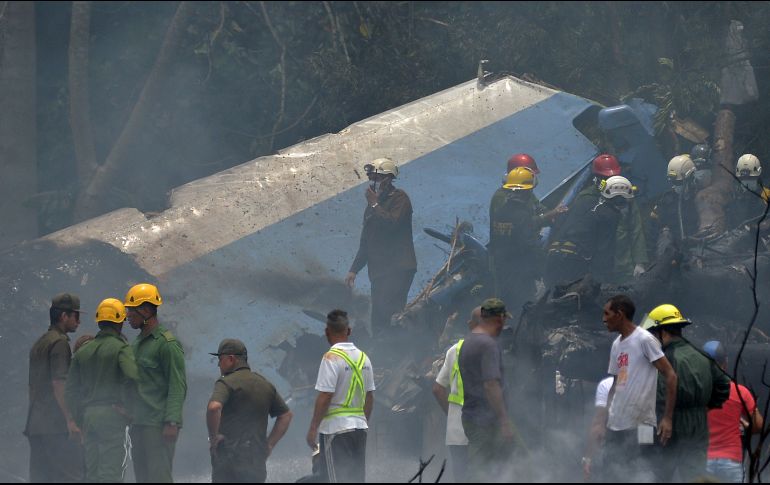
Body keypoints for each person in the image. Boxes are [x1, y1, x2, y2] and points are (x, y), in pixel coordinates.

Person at [641, 303, 731, 482]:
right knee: (695, 478)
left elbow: (655, 400)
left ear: (662, 332)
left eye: (652, 333)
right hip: (698, 426)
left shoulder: (664, 361)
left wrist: (643, 442)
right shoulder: (702, 357)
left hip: (667, 428)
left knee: (658, 476)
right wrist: (703, 407)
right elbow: (724, 385)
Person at [601, 294, 677, 483]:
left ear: (620, 314)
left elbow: (671, 375)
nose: (603, 319)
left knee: (643, 471)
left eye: (606, 313)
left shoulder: (645, 339)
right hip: (615, 423)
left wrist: (667, 418)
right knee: (611, 473)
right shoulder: (616, 344)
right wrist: (604, 417)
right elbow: (616, 381)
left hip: (643, 424)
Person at [65, 298, 138, 483]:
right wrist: (129, 410)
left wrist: (79, 419)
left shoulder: (82, 352)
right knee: (111, 474)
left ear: (99, 321)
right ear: (120, 321)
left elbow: (71, 391)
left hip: (89, 417)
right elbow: (133, 378)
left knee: (92, 474)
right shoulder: (121, 348)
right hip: (112, 416)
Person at [345, 158, 417, 333]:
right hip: (379, 271)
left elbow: (392, 224)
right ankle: (382, 353)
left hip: (398, 267)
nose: (373, 183)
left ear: (388, 178)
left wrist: (375, 204)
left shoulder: (400, 198)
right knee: (378, 318)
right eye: (371, 179)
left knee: (389, 312)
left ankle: (398, 350)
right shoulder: (372, 207)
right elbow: (367, 241)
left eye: (376, 178)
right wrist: (354, 269)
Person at [206, 339, 293, 483]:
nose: (218, 364)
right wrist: (269, 444)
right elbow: (286, 415)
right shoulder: (264, 384)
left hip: (229, 458)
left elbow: (214, 407)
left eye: (220, 359)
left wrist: (214, 438)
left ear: (231, 359)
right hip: (256, 460)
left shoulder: (226, 382)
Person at [125, 283, 187, 483]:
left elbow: (177, 385)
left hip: (157, 425)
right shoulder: (136, 344)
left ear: (145, 310)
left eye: (131, 310)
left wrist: (172, 422)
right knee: (142, 478)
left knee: (159, 478)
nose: (127, 315)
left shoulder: (167, 344)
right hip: (139, 423)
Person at [306, 309, 375, 483]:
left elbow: (325, 395)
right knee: (355, 479)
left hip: (335, 430)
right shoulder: (364, 359)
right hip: (359, 429)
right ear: (349, 331)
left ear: (327, 332)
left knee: (334, 479)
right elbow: (369, 397)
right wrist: (362, 422)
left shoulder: (331, 358)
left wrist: (313, 428)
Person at [24, 292, 85, 482]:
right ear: (64, 316)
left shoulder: (40, 343)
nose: (79, 321)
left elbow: (32, 386)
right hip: (55, 426)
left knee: (41, 478)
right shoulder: (59, 343)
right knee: (70, 476)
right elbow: (59, 382)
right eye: (76, 315)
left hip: (36, 425)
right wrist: (70, 421)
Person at [488, 168, 566, 310]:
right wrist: (542, 266)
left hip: (501, 266)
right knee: (523, 304)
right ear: (527, 190)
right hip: (519, 269)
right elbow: (529, 245)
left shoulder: (501, 210)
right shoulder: (521, 214)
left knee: (505, 302)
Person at [459, 298, 518, 483]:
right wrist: (504, 420)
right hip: (486, 420)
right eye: (504, 319)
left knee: (482, 469)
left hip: (472, 415)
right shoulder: (488, 344)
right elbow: (490, 384)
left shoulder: (469, 341)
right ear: (499, 318)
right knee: (486, 472)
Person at [546, 175, 639, 286]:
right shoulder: (610, 214)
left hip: (552, 258)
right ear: (618, 198)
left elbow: (559, 224)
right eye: (624, 201)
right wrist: (603, 280)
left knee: (548, 298)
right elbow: (604, 250)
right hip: (573, 264)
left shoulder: (585, 200)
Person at [572, 154, 648, 280]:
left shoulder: (625, 195)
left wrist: (640, 262)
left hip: (624, 266)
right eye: (605, 177)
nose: (609, 180)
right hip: (596, 267)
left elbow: (636, 229)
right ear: (596, 177)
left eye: (613, 176)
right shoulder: (586, 198)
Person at [432, 306, 482, 483]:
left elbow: (437, 389)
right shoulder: (490, 350)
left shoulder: (454, 350)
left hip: (456, 429)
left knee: (461, 477)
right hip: (482, 428)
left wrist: (451, 414)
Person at [702, 340, 763, 483]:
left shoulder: (696, 391)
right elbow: (759, 425)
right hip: (731, 460)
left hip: (703, 459)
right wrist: (743, 424)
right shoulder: (741, 391)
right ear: (726, 362)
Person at [648, 155, 699, 245]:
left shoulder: (700, 196)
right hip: (675, 245)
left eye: (680, 182)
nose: (677, 186)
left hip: (697, 241)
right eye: (674, 182)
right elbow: (655, 225)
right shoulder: (667, 199)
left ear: (691, 177)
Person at [581, 376, 613, 482]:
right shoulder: (607, 385)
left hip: (617, 447)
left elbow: (598, 424)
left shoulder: (606, 385)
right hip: (651, 442)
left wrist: (588, 459)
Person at [729, 154, 770, 229]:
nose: (746, 181)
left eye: (750, 177)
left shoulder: (766, 193)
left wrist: (757, 226)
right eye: (743, 178)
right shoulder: (735, 196)